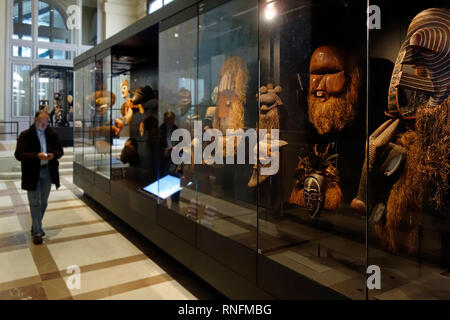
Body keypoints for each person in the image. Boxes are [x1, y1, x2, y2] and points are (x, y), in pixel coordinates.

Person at [14, 111, 64, 245]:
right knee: (35, 202)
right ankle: (37, 232)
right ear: (35, 120)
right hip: (32, 173)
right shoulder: (26, 135)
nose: (44, 124)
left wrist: (53, 155)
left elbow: (60, 151)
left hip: (48, 172)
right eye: (42, 122)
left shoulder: (52, 134)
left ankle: (35, 225)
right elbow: (19, 154)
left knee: (44, 202)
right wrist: (37, 155)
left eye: (47, 122)